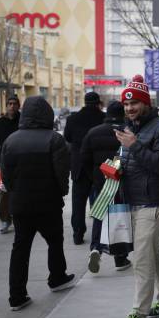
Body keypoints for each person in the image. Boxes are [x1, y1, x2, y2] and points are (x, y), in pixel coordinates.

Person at [114, 75, 159, 318]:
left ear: (146, 103)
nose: (129, 108)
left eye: (134, 103)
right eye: (126, 104)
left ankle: (138, 316)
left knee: (142, 259)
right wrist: (116, 169)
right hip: (135, 201)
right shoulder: (133, 128)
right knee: (153, 253)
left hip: (153, 203)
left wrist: (135, 146)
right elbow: (134, 162)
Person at [1, 96, 76, 311]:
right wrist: (62, 192)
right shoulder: (54, 139)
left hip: (20, 204)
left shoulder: (11, 140)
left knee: (20, 248)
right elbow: (61, 172)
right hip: (48, 203)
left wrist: (15, 193)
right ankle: (57, 277)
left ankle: (17, 295)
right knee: (55, 241)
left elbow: (5, 175)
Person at [81, 100, 131, 272]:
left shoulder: (93, 132)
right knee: (120, 218)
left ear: (106, 113)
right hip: (123, 184)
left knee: (99, 216)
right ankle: (120, 258)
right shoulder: (127, 133)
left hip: (100, 183)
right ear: (122, 113)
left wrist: (94, 178)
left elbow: (84, 158)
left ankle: (96, 248)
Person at [64, 92, 105, 244]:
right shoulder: (103, 118)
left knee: (78, 203)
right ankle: (99, 233)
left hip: (79, 166)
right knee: (99, 201)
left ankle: (78, 234)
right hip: (98, 167)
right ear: (98, 102)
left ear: (85, 101)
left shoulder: (72, 119)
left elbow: (67, 138)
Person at [0, 95, 21, 234]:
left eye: (14, 104)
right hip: (4, 163)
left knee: (20, 192)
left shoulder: (23, 121)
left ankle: (19, 219)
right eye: (9, 104)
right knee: (3, 193)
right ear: (6, 106)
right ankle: (5, 220)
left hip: (21, 162)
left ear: (18, 105)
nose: (12, 106)